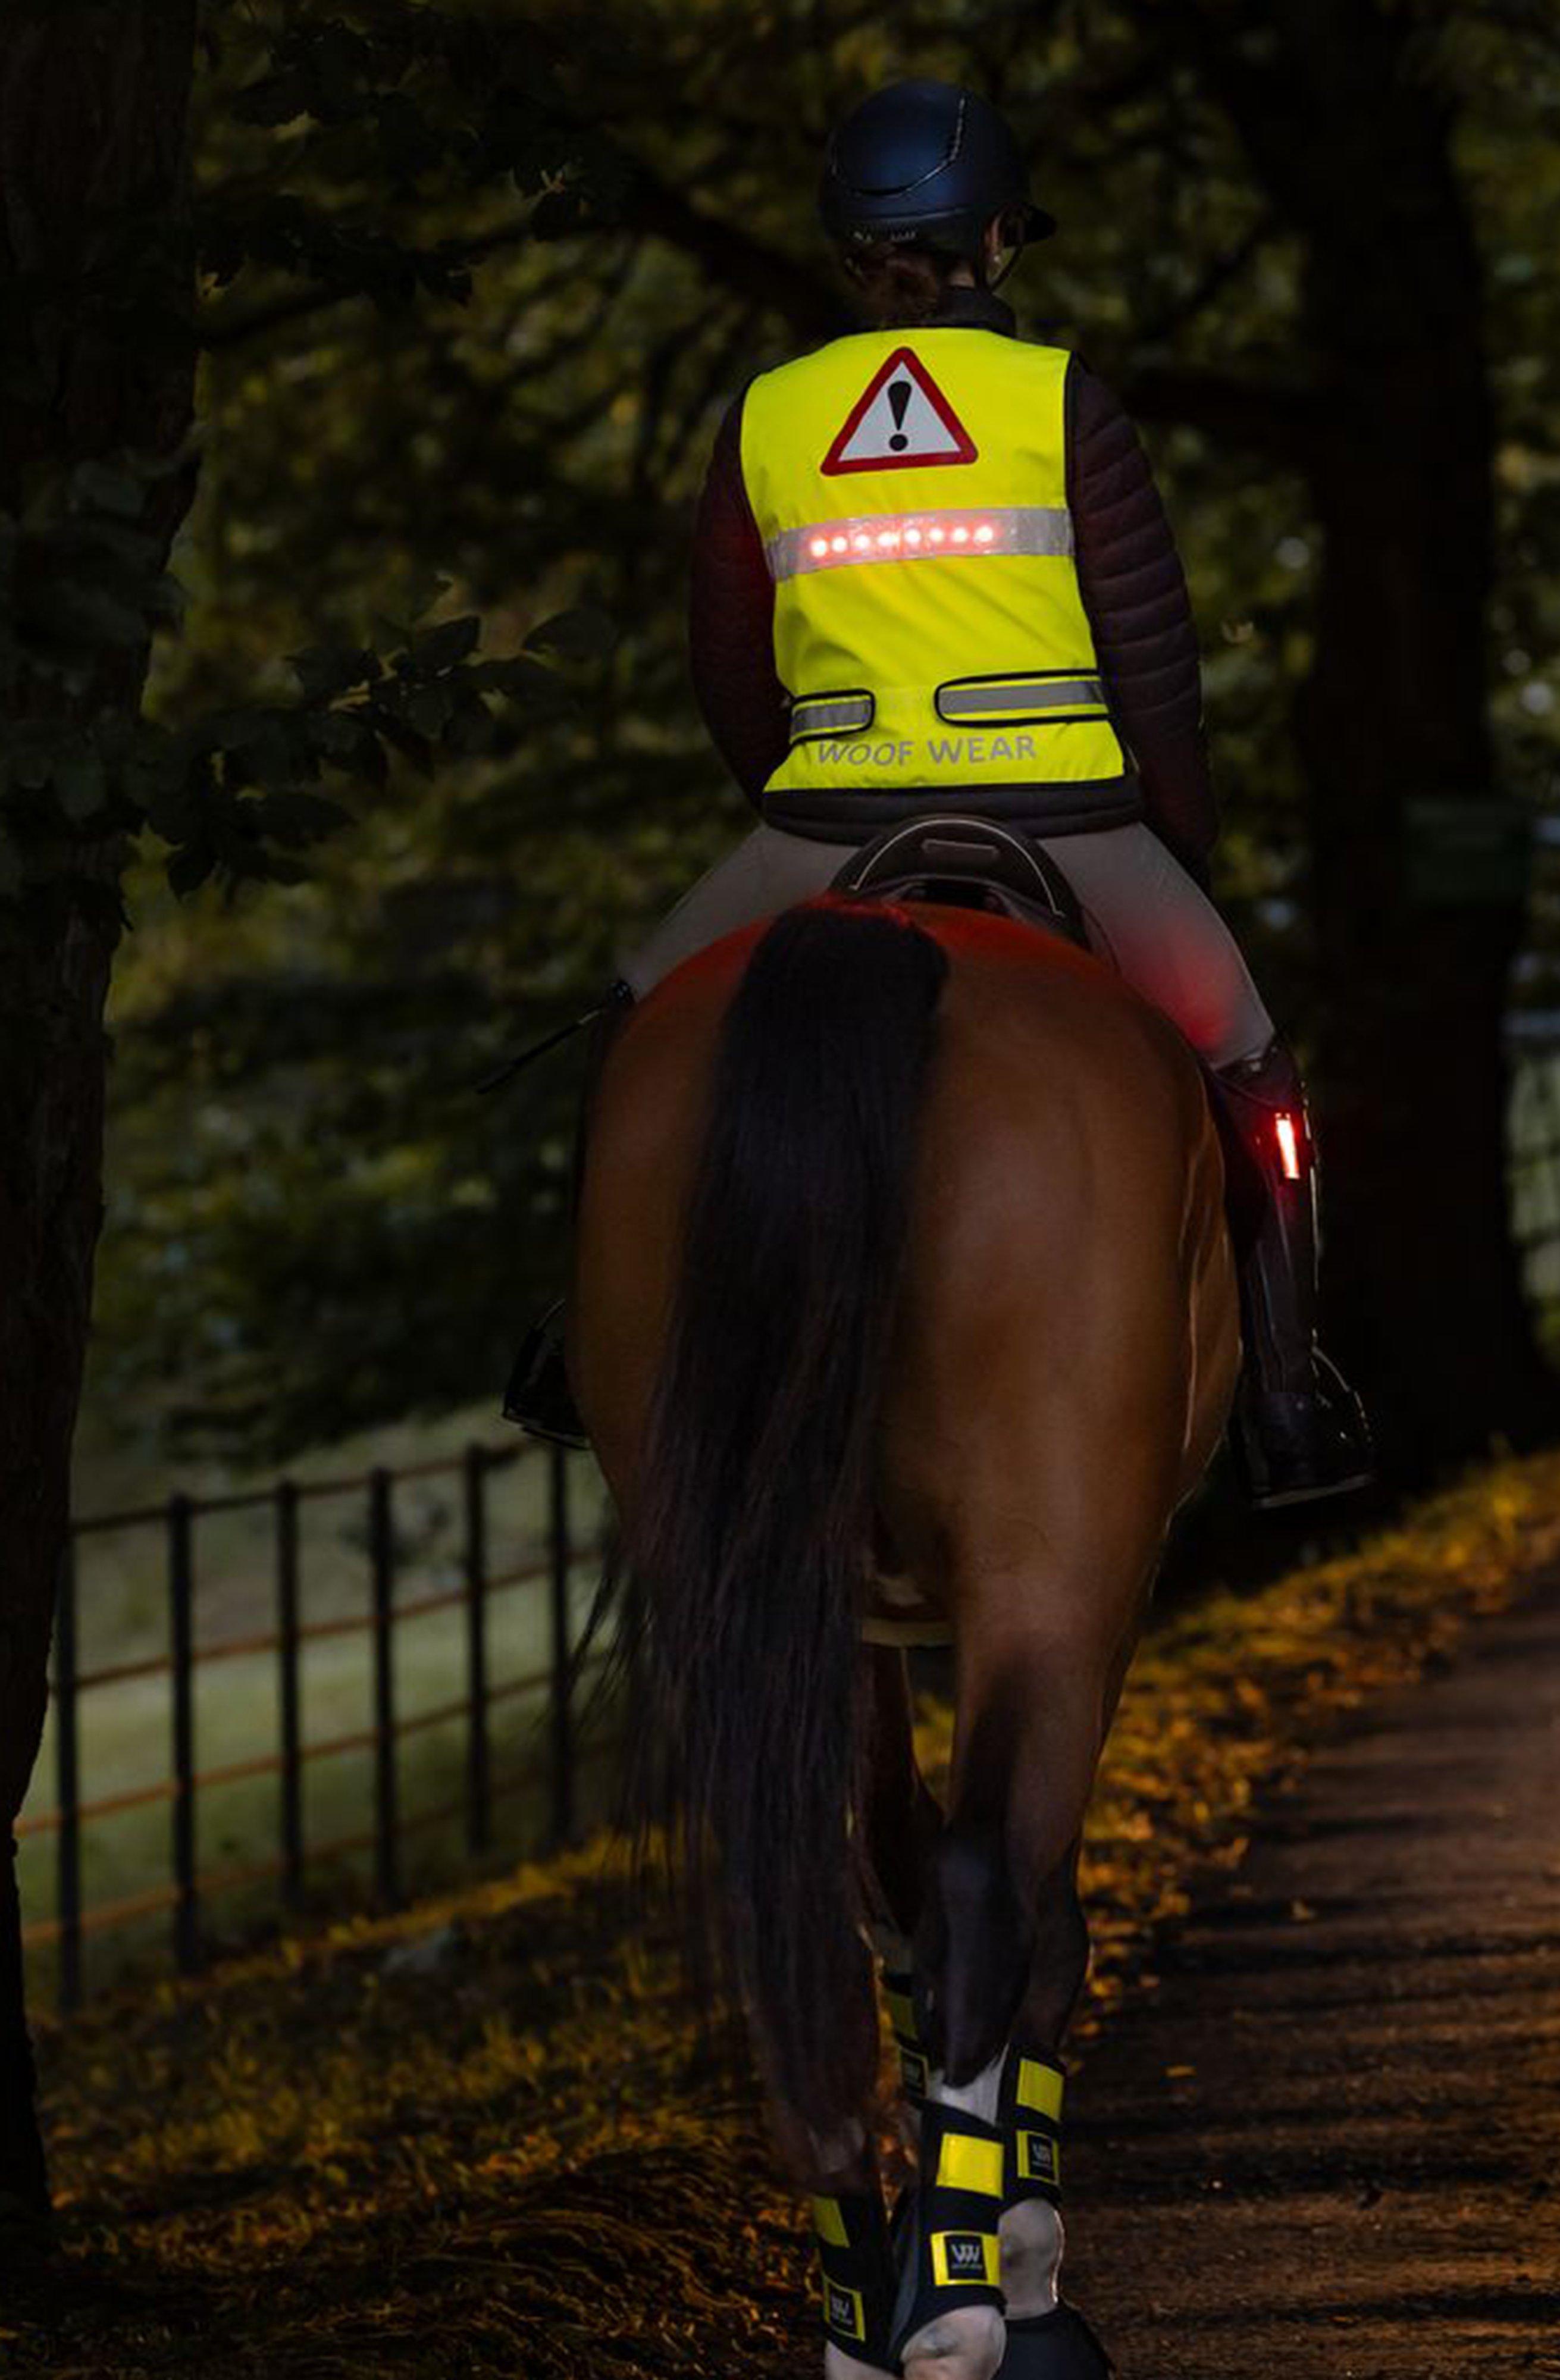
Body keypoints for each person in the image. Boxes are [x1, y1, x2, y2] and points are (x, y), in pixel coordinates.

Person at [509, 77, 1370, 1508]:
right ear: (998, 241)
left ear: (851, 251)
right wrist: (1183, 839)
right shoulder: (1057, 401)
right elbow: (1152, 662)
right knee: (1248, 1067)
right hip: (1070, 819)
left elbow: (724, 658)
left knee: (633, 1032)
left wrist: (790, 802)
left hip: (821, 824)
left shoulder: (773, 418)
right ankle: (1288, 1394)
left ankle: (571, 1342)